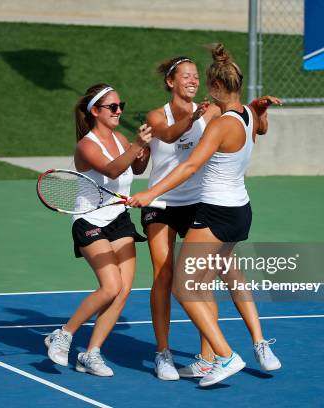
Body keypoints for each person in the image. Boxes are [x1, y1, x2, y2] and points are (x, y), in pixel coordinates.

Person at [128, 44, 280, 387]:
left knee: (191, 286)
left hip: (209, 208)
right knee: (183, 280)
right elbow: (169, 136)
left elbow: (194, 164)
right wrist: (258, 111)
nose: (193, 81)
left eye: (199, 77)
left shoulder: (218, 118)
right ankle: (187, 356)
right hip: (217, 210)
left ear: (213, 86)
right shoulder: (237, 114)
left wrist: (148, 193)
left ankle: (221, 356)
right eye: (186, 76)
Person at [45, 83, 152, 377]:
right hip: (90, 220)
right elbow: (113, 170)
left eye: (121, 106)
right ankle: (63, 334)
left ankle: (90, 354)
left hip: (119, 218)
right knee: (110, 285)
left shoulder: (120, 138)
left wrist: (146, 149)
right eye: (113, 107)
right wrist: (137, 145)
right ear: (95, 111)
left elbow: (135, 169)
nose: (119, 112)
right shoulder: (86, 145)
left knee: (123, 290)